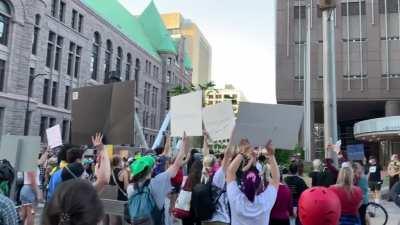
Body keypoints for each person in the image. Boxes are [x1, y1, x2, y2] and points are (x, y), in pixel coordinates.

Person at [127, 133, 190, 225]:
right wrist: (183, 144)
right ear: (151, 169)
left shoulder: (130, 187)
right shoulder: (157, 182)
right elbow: (176, 165)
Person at [226, 140, 279, 225]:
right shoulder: (265, 202)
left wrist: (243, 152)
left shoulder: (236, 200)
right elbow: (276, 179)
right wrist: (271, 155)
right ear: (259, 185)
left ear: (243, 183)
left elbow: (230, 172)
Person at [202, 145, 234, 225]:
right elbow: (227, 157)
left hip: (206, 217)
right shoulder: (218, 177)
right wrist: (232, 141)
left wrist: (205, 140)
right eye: (217, 161)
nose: (219, 161)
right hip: (219, 218)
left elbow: (206, 156)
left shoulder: (204, 175)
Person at [181, 160, 203, 225]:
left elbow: (183, 190)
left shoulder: (188, 178)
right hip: (198, 208)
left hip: (187, 207)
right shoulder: (203, 178)